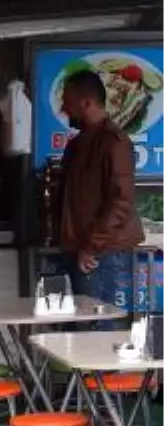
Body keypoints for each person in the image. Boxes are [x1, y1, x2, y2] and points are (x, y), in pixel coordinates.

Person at [58, 70, 144, 309]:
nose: (64, 109)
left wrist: (90, 247)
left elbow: (121, 202)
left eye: (68, 102)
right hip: (80, 248)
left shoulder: (114, 143)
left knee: (95, 327)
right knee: (77, 329)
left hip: (102, 254)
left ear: (87, 102)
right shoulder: (78, 144)